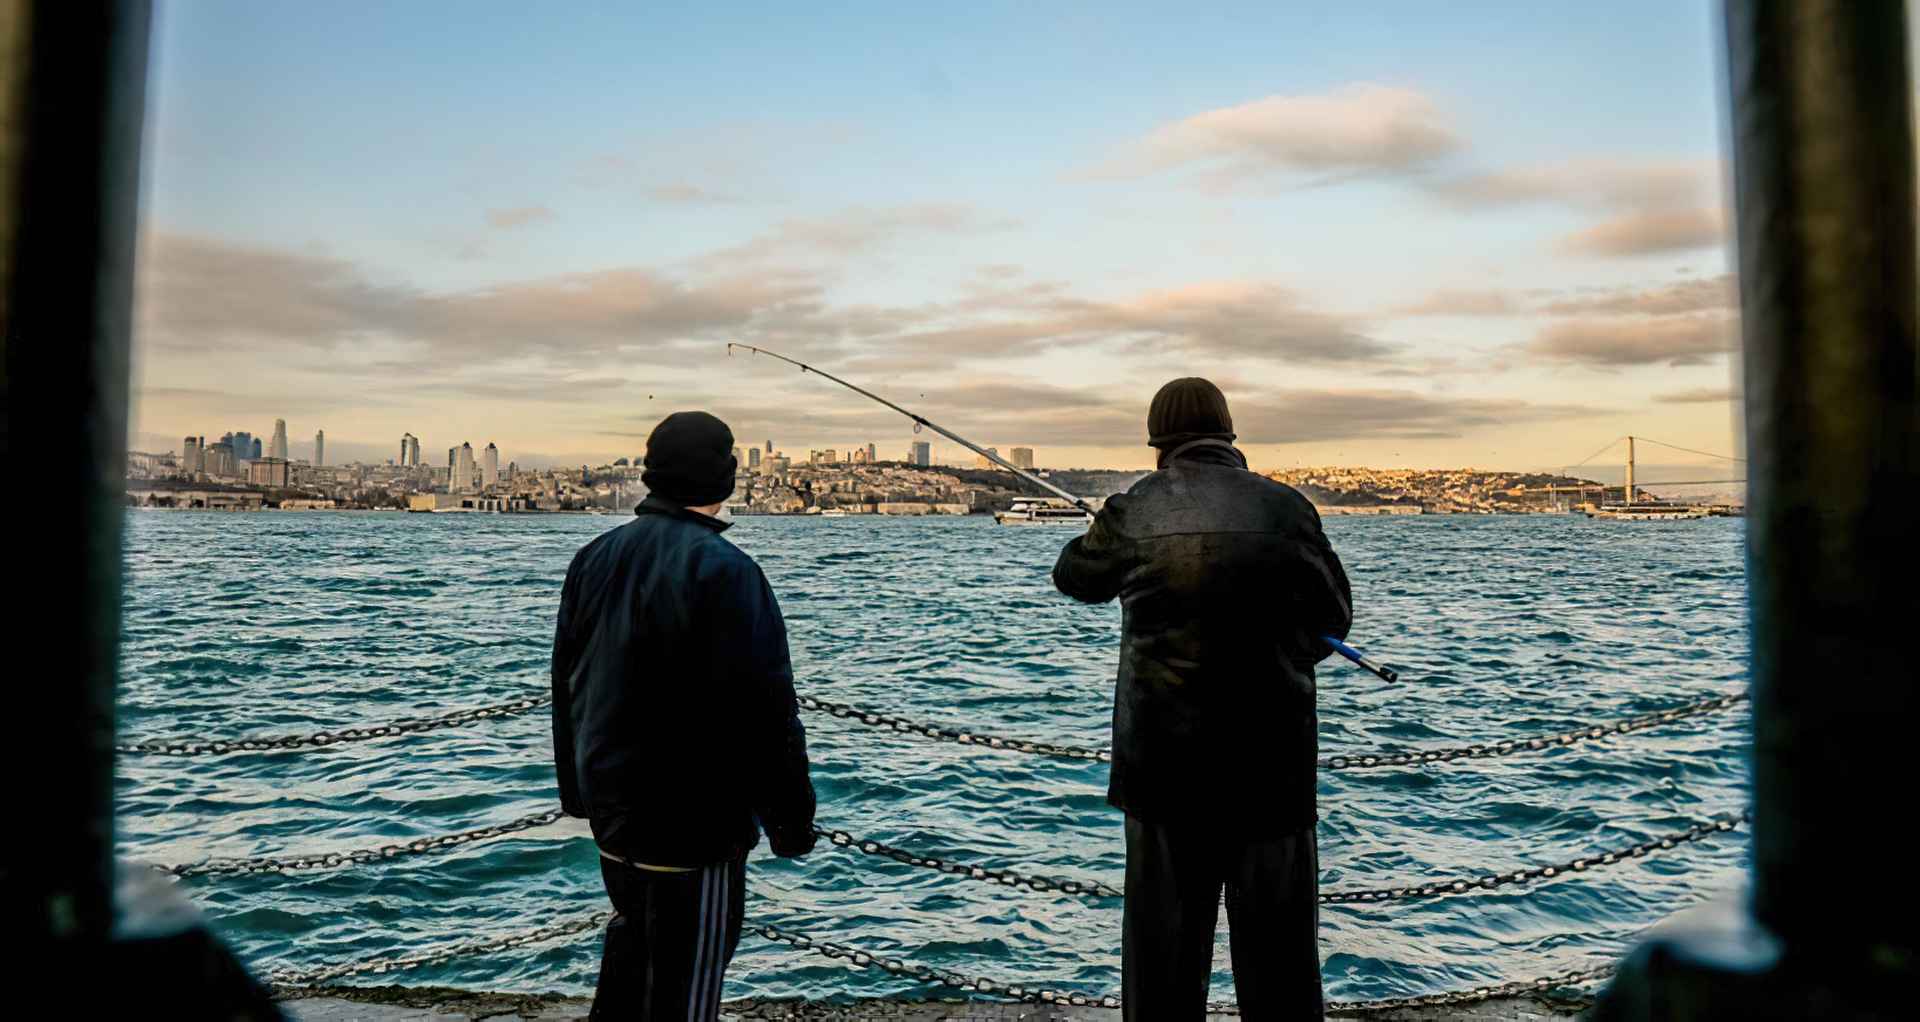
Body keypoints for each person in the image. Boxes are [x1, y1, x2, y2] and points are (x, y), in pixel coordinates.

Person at [1052, 378, 1352, 1021]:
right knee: (1281, 971)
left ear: (1159, 442)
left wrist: (1104, 526)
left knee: (1163, 970)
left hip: (1163, 776)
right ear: (1229, 436)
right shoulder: (1288, 509)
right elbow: (1335, 615)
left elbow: (1074, 578)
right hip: (1272, 772)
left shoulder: (1136, 509)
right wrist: (1286, 655)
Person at [552, 410, 816, 1021]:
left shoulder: (595, 556)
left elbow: (566, 686)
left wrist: (579, 793)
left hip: (614, 811)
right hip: (693, 825)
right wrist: (790, 821)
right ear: (722, 476)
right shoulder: (727, 571)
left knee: (628, 964)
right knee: (686, 991)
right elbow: (764, 713)